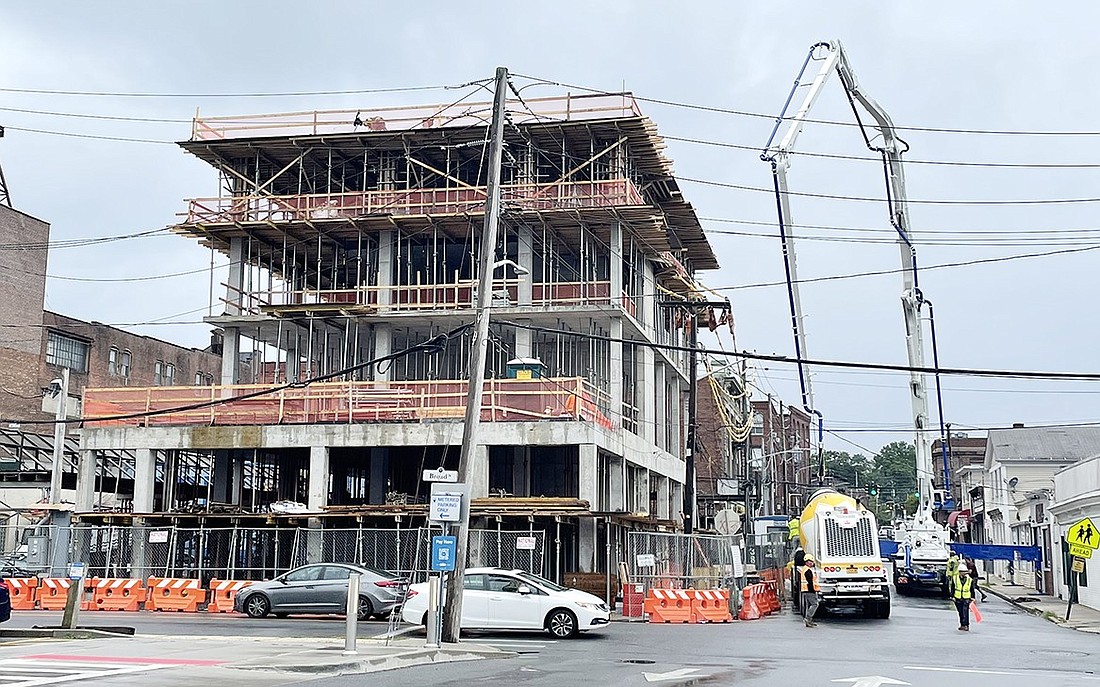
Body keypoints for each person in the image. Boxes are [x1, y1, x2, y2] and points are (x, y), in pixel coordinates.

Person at [950, 558, 975, 631]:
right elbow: (953, 587)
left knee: (965, 612)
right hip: (957, 597)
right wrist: (952, 596)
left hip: (966, 598)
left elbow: (971, 589)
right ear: (960, 572)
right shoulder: (955, 578)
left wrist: (973, 597)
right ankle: (962, 624)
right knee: (960, 612)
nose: (965, 573)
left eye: (965, 572)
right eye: (963, 572)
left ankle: (966, 625)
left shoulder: (969, 579)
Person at [801, 555, 821, 627]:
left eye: (812, 561)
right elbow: (810, 582)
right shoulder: (808, 570)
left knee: (810, 605)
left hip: (806, 590)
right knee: (815, 604)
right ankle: (808, 618)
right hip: (809, 590)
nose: (811, 563)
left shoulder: (805, 569)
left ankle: (809, 621)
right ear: (806, 562)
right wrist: (813, 590)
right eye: (810, 561)